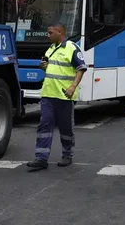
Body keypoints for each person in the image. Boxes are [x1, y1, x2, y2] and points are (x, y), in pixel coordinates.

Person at [27, 23, 87, 171]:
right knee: (44, 126)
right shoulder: (50, 48)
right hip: (48, 95)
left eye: (50, 33)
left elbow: (81, 68)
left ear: (60, 32)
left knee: (66, 128)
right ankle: (41, 158)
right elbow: (52, 68)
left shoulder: (71, 47)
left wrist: (73, 86)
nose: (48, 36)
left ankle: (67, 155)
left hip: (64, 96)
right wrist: (44, 66)